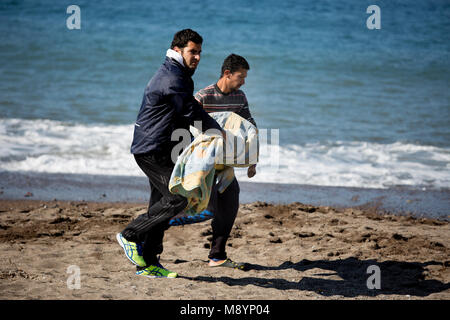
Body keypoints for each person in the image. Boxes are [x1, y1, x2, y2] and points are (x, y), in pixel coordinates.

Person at [116, 29, 225, 278]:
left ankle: (148, 262)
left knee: (159, 204)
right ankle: (129, 234)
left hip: (166, 147)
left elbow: (185, 113)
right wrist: (217, 131)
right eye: (192, 51)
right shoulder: (172, 77)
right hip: (152, 150)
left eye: (199, 52)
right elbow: (189, 111)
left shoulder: (179, 74)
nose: (197, 57)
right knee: (177, 198)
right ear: (177, 50)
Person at [194, 53, 257, 269]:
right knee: (202, 208)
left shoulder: (240, 98)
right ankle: (150, 243)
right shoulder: (203, 96)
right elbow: (184, 126)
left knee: (229, 205)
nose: (243, 82)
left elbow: (250, 126)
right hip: (204, 163)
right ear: (227, 74)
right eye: (241, 77)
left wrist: (252, 160)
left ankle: (217, 255)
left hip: (226, 164)